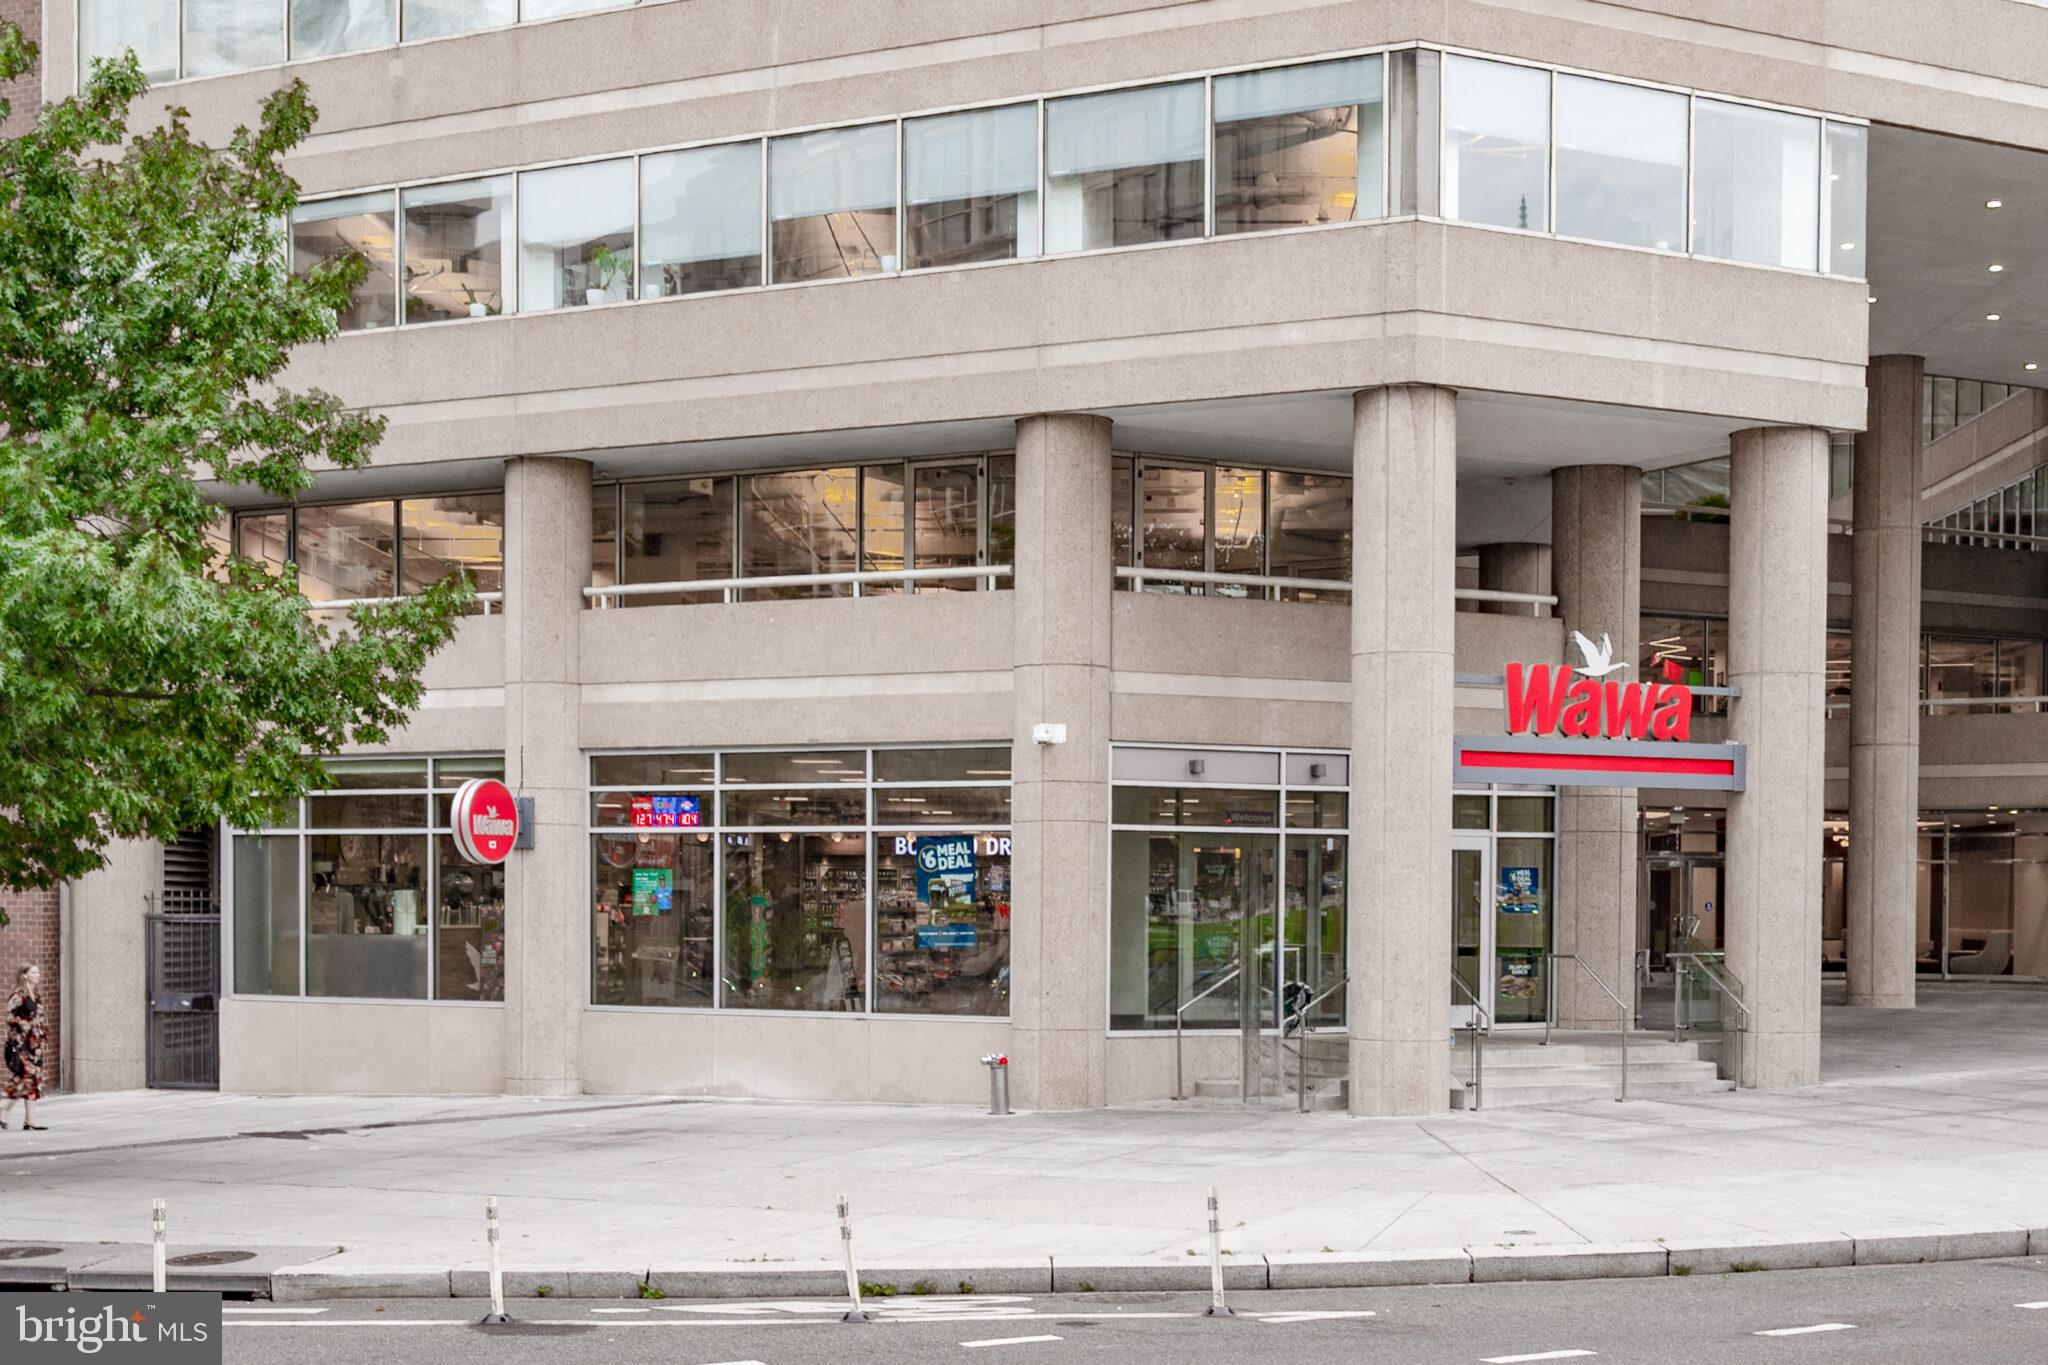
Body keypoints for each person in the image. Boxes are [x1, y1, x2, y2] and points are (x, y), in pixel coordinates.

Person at [3, 964, 49, 1131]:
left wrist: (42, 1038)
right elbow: (10, 1018)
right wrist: (27, 1024)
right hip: (21, 1044)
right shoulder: (18, 995)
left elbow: (41, 1019)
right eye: (34, 972)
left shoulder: (35, 995)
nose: (38, 975)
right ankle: (5, 1109)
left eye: (38, 972)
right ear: (24, 975)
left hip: (35, 1045)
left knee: (32, 1080)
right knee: (27, 1078)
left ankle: (30, 1119)